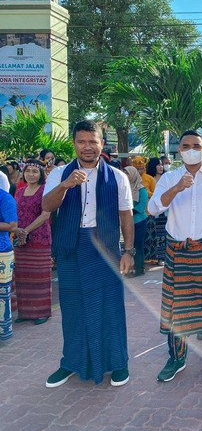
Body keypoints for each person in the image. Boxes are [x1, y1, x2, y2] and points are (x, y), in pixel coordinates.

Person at [43, 120, 134, 388]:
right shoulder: (60, 173)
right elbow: (47, 206)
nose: (87, 147)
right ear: (74, 144)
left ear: (101, 144)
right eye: (82, 141)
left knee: (110, 306)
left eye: (93, 141)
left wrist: (128, 251)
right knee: (72, 308)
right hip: (71, 246)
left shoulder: (117, 177)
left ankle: (118, 363)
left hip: (104, 248)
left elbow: (126, 216)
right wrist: (65, 185)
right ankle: (71, 362)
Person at [148, 130, 202, 384]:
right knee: (175, 309)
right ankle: (176, 358)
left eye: (196, 145)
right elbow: (153, 208)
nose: (190, 149)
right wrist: (176, 188)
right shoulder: (169, 179)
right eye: (185, 145)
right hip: (177, 251)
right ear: (179, 150)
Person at [13, 159, 52, 325]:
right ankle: (25, 312)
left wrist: (26, 231)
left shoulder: (45, 190)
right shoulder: (19, 191)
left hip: (39, 238)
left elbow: (45, 215)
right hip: (20, 240)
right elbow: (13, 213)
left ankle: (41, 312)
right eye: (28, 171)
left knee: (39, 276)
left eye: (35, 171)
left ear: (41, 174)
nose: (31, 174)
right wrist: (17, 231)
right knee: (22, 276)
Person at [131, 156, 157, 264]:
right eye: (136, 169)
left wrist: (145, 193)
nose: (139, 171)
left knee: (148, 237)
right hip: (133, 217)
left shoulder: (149, 179)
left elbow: (156, 194)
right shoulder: (130, 181)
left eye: (141, 168)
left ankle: (149, 259)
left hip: (147, 212)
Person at [123, 166, 148, 277]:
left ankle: (139, 268)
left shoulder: (141, 190)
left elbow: (142, 206)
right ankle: (130, 268)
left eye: (127, 173)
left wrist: (127, 211)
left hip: (139, 222)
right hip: (128, 223)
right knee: (129, 246)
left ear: (133, 174)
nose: (125, 175)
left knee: (137, 245)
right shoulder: (124, 188)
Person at [0, 187, 17, 341]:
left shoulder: (4, 198)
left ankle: (3, 333)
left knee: (2, 296)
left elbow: (12, 226)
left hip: (2, 252)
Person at [147, 157, 167, 265]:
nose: (161, 167)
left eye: (161, 165)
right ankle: (157, 257)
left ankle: (163, 257)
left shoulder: (166, 178)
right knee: (156, 235)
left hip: (165, 211)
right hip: (153, 211)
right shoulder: (150, 179)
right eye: (158, 165)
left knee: (164, 234)